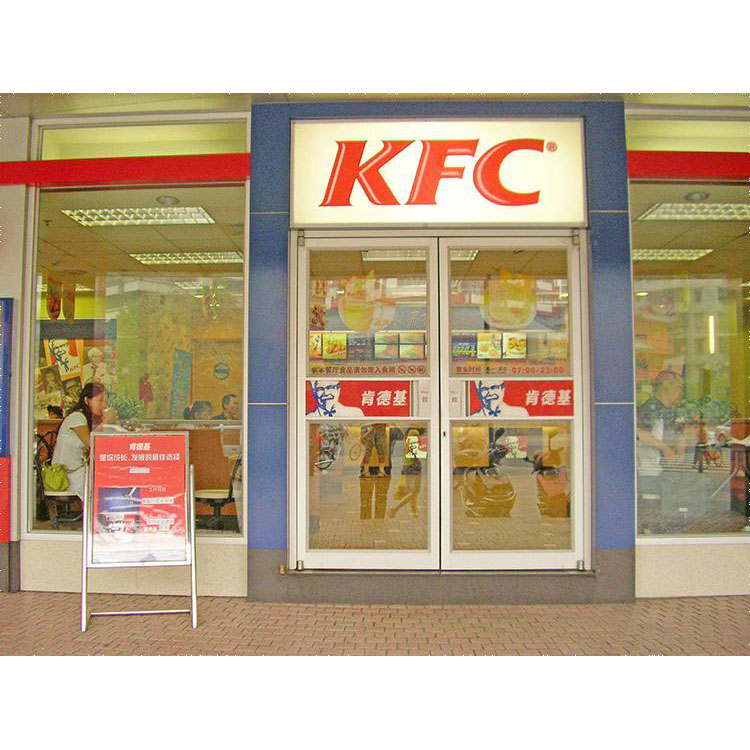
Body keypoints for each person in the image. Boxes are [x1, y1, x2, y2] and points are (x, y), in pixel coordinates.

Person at [50, 382, 117, 501]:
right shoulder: (77, 417)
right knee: (100, 486)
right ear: (87, 400)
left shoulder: (87, 419)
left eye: (105, 401)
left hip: (76, 471)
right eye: (100, 400)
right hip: (67, 474)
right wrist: (106, 422)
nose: (104, 405)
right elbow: (89, 441)